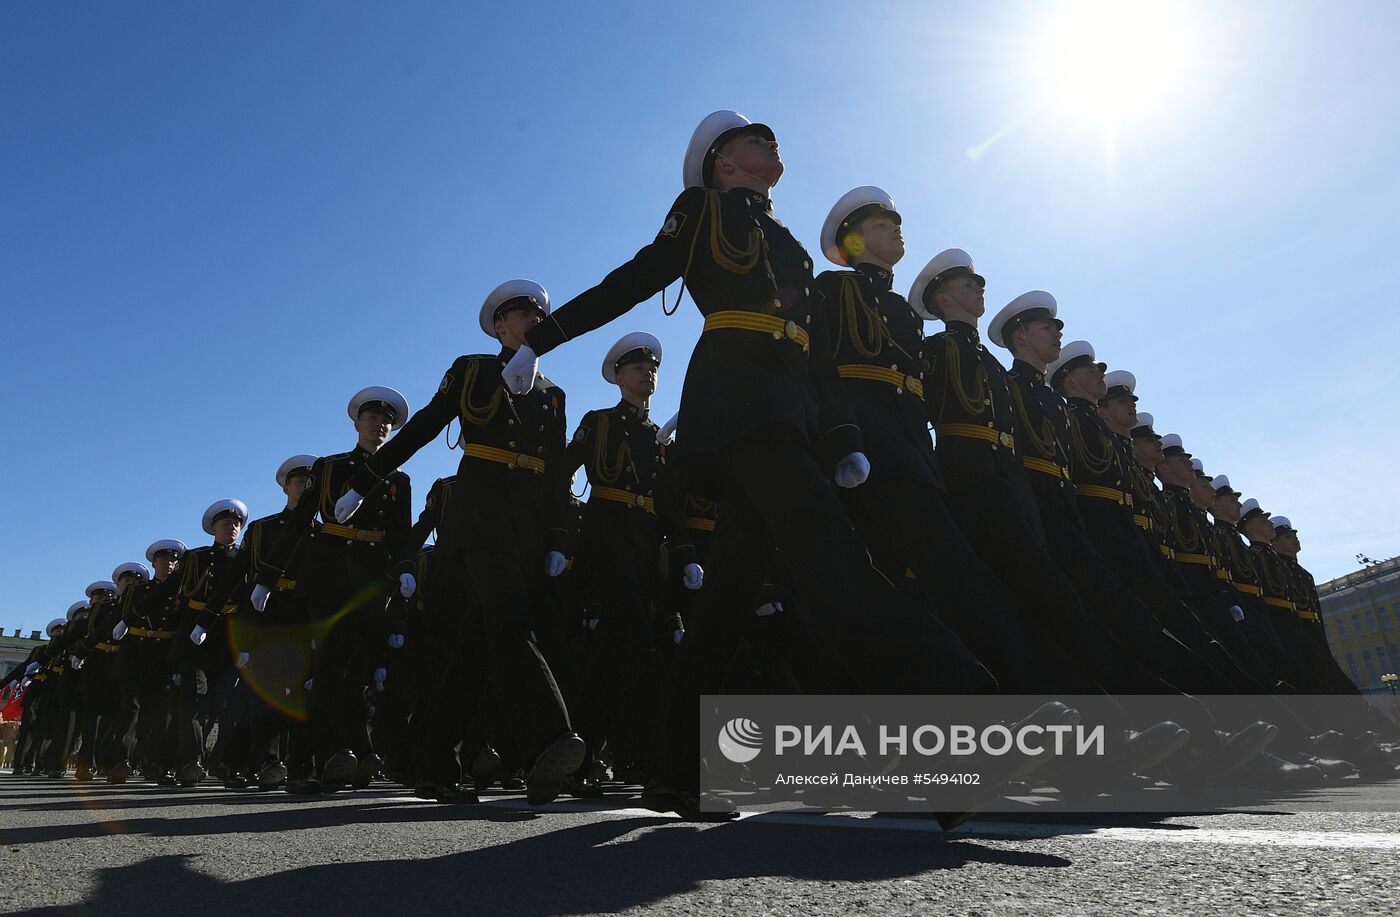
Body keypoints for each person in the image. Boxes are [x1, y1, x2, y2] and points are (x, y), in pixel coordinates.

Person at [499, 110, 1010, 820]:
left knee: (726, 603)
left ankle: (677, 771)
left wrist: (837, 437)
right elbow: (637, 277)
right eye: (751, 141)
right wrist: (543, 339)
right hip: (739, 402)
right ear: (723, 166)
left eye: (770, 138)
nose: (770, 144)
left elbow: (818, 357)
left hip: (788, 410)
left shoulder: (788, 241)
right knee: (832, 555)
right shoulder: (702, 209)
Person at [330, 289, 584, 806]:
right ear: (499, 327)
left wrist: (558, 536)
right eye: (523, 314)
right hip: (481, 518)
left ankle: (433, 759)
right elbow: (424, 427)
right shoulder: (472, 370)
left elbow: (556, 475)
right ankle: (551, 741)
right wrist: (364, 483)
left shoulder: (554, 393)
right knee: (512, 623)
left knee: (473, 650)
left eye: (540, 315)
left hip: (527, 526)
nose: (534, 320)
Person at [254, 389, 414, 792]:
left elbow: (400, 534)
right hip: (329, 575)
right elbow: (297, 524)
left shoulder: (399, 478)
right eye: (372, 418)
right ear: (357, 424)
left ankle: (357, 751)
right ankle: (330, 755)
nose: (380, 424)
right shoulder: (329, 468)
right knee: (329, 665)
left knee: (359, 669)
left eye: (386, 420)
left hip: (373, 580)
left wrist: (407, 568)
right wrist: (266, 577)